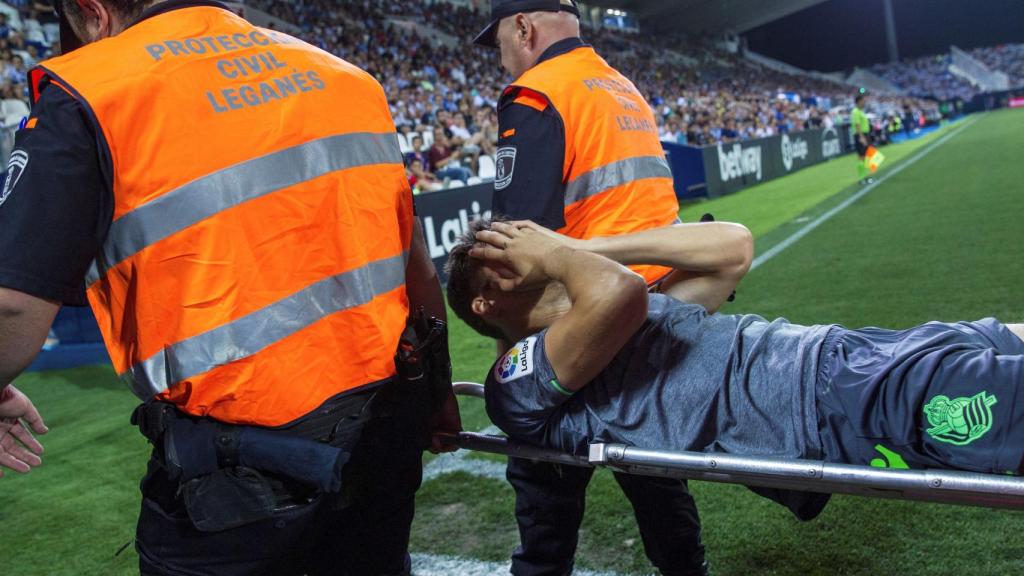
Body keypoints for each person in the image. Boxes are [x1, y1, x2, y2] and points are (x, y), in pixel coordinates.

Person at [0, 1, 461, 575]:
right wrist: (436, 390)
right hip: (381, 438)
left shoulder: (90, 93)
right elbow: (411, 255)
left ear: (93, 13)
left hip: (237, 479)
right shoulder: (346, 77)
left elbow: (12, 303)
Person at [445, 219, 1024, 519]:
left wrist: (576, 242)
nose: (524, 243)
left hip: (855, 355)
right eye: (504, 248)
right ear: (486, 302)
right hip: (832, 411)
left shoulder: (623, 302)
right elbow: (614, 293)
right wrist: (554, 255)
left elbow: (733, 249)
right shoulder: (513, 382)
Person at [472, 2, 707, 575]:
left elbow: (519, 244)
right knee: (655, 480)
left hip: (582, 318)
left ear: (523, 27)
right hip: (654, 314)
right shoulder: (621, 86)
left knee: (544, 487)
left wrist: (513, 357)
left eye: (499, 40)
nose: (500, 57)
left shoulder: (536, 93)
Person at [851, 93, 874, 184]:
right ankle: (861, 178)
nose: (864, 103)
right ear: (859, 102)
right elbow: (857, 125)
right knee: (861, 157)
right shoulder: (855, 112)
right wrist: (861, 137)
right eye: (863, 101)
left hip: (865, 135)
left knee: (867, 156)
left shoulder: (860, 111)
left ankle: (867, 176)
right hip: (861, 135)